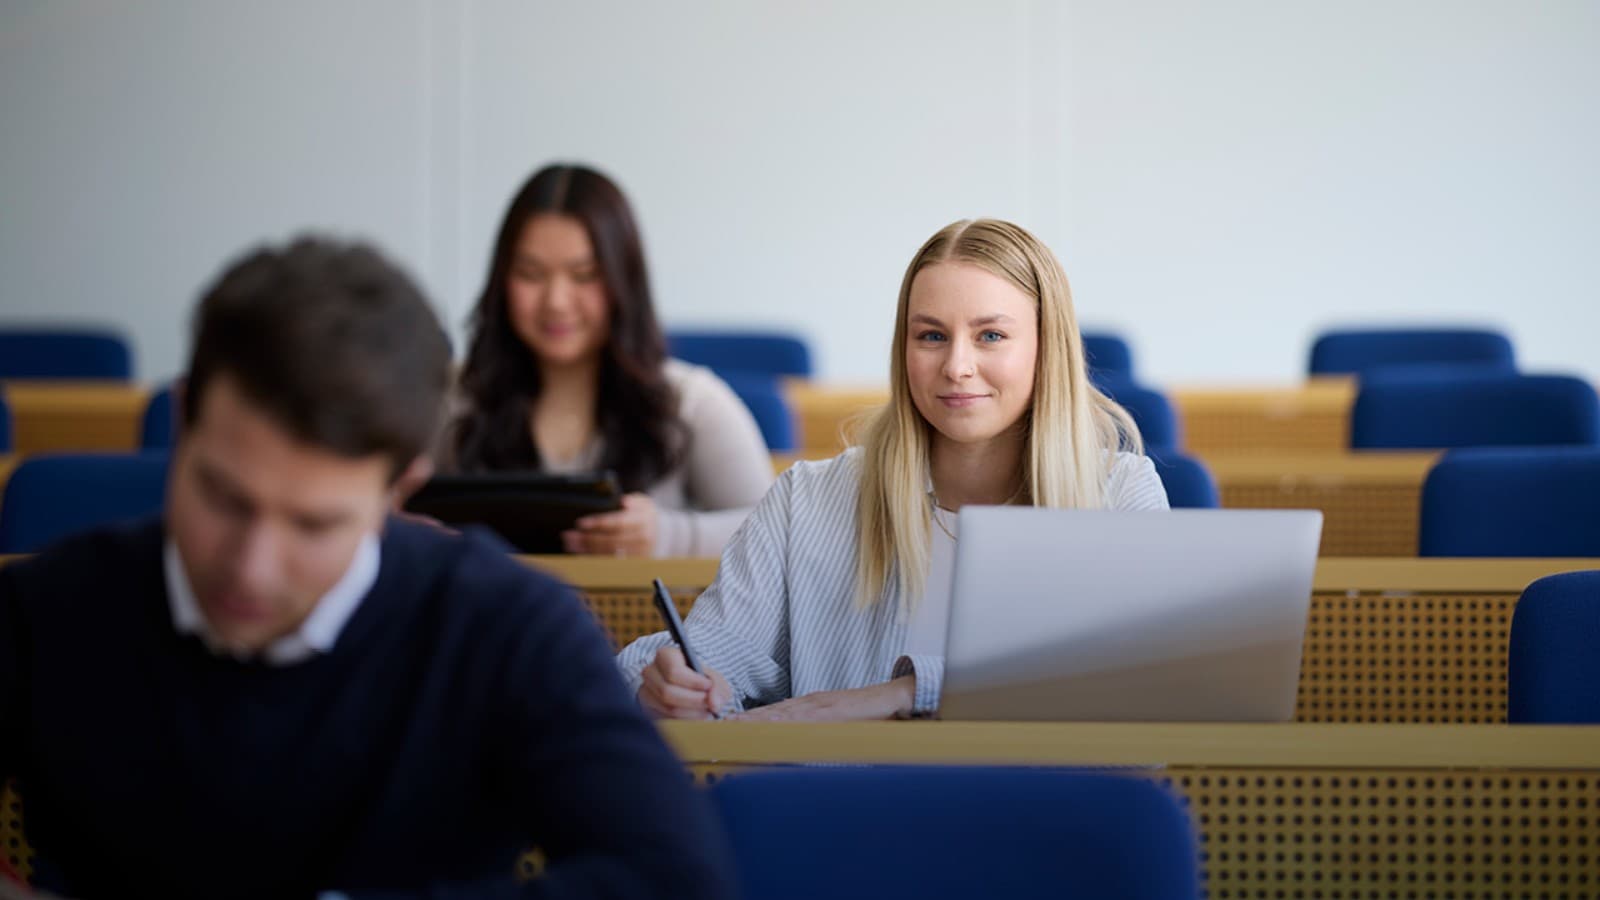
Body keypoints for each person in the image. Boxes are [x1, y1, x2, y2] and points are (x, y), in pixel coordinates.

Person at [0, 238, 736, 899]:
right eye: (223, 498)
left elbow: (675, 878)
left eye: (314, 524)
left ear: (402, 487)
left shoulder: (502, 627)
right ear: (186, 419)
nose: (252, 570)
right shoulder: (50, 609)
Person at [617, 218, 1170, 721]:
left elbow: (1147, 683)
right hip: (843, 819)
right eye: (931, 336)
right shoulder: (808, 500)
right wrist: (674, 680)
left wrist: (907, 692)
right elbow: (713, 652)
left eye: (990, 336)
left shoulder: (1120, 495)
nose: (956, 366)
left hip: (1039, 823)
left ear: (1047, 350)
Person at [449, 164, 773, 557]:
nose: (556, 301)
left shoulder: (692, 403)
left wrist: (670, 536)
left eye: (584, 275)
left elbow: (777, 534)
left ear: (624, 281)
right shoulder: (455, 401)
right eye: (530, 274)